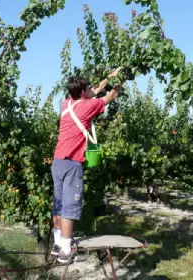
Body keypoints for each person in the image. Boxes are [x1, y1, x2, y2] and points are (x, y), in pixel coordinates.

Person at [50, 69, 121, 263]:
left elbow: (94, 90)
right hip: (72, 163)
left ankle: (57, 244)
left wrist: (109, 76)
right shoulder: (87, 107)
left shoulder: (67, 104)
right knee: (69, 208)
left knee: (58, 205)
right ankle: (66, 250)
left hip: (57, 162)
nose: (91, 90)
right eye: (87, 88)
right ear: (82, 92)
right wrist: (122, 79)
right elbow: (110, 95)